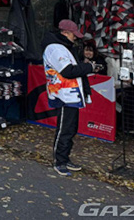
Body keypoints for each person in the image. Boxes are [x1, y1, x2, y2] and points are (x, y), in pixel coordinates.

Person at [42, 19, 99, 176]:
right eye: (74, 35)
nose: (76, 38)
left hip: (70, 94)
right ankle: (59, 161)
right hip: (63, 94)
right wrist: (89, 67)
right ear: (65, 33)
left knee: (70, 129)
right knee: (65, 129)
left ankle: (65, 158)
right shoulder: (55, 48)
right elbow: (68, 71)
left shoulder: (63, 47)